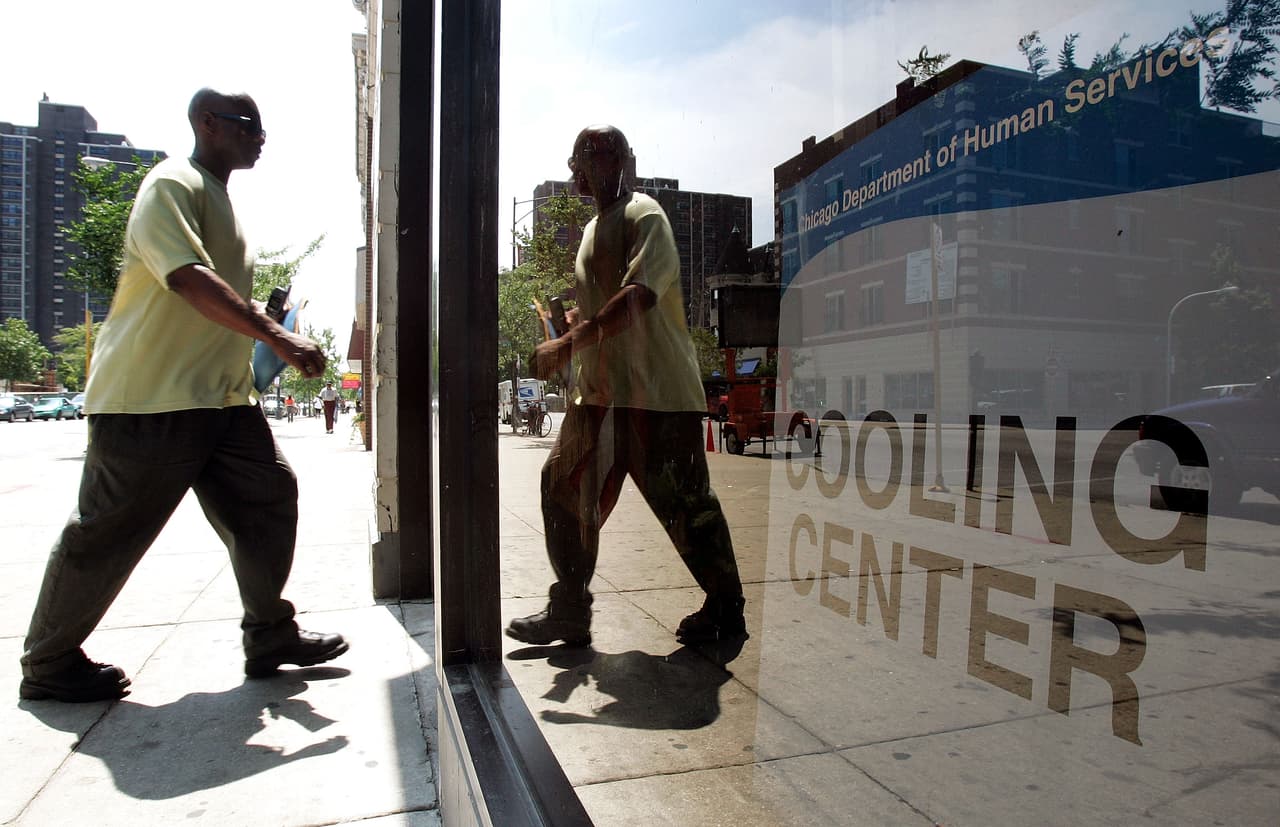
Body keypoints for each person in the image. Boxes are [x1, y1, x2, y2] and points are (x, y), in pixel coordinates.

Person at [18, 89, 347, 704]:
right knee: (109, 529)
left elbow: (226, 296)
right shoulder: (172, 182)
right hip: (152, 400)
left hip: (223, 402)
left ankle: (270, 633)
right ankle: (49, 660)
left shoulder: (221, 200)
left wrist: (276, 337)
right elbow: (187, 279)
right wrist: (279, 334)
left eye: (261, 125)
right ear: (206, 124)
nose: (260, 135)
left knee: (268, 496)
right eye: (248, 124)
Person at [506, 125, 747, 649]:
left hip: (655, 397)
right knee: (562, 489)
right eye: (589, 158)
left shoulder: (644, 214)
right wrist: (573, 322)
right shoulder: (594, 228)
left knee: (685, 507)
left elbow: (639, 295)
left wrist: (569, 343)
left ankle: (727, 608)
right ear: (576, 168)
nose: (596, 167)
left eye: (609, 155)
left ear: (624, 162)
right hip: (599, 398)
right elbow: (605, 306)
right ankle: (570, 608)